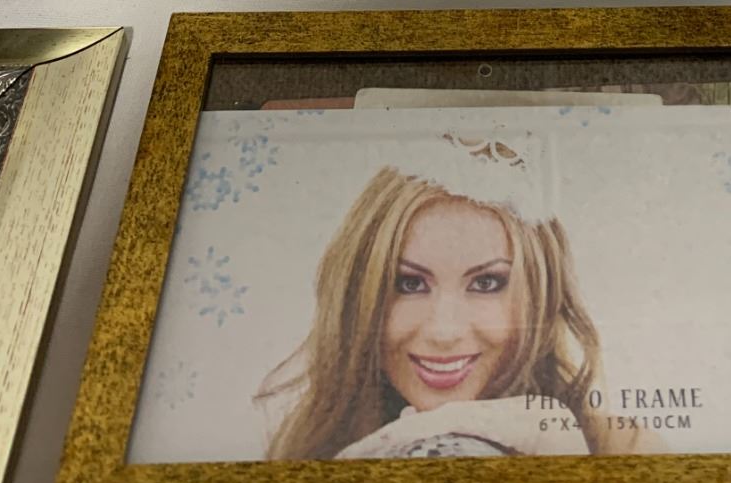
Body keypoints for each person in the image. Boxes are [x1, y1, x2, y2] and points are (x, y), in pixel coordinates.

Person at [258, 134, 641, 460]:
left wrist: (566, 470)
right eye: (410, 284)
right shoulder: (299, 452)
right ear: (359, 296)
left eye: (486, 283)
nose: (444, 332)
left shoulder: (622, 448)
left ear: (540, 297)